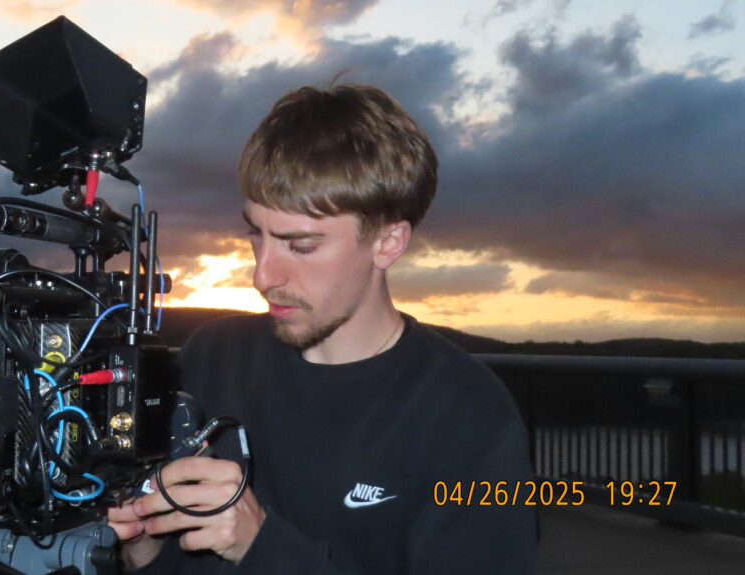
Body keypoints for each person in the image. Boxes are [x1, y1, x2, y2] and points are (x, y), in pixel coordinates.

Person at [108, 83, 536, 573]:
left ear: (388, 243)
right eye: (256, 234)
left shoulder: (472, 418)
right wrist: (143, 544)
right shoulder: (211, 356)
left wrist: (262, 548)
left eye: (302, 246)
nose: (262, 276)